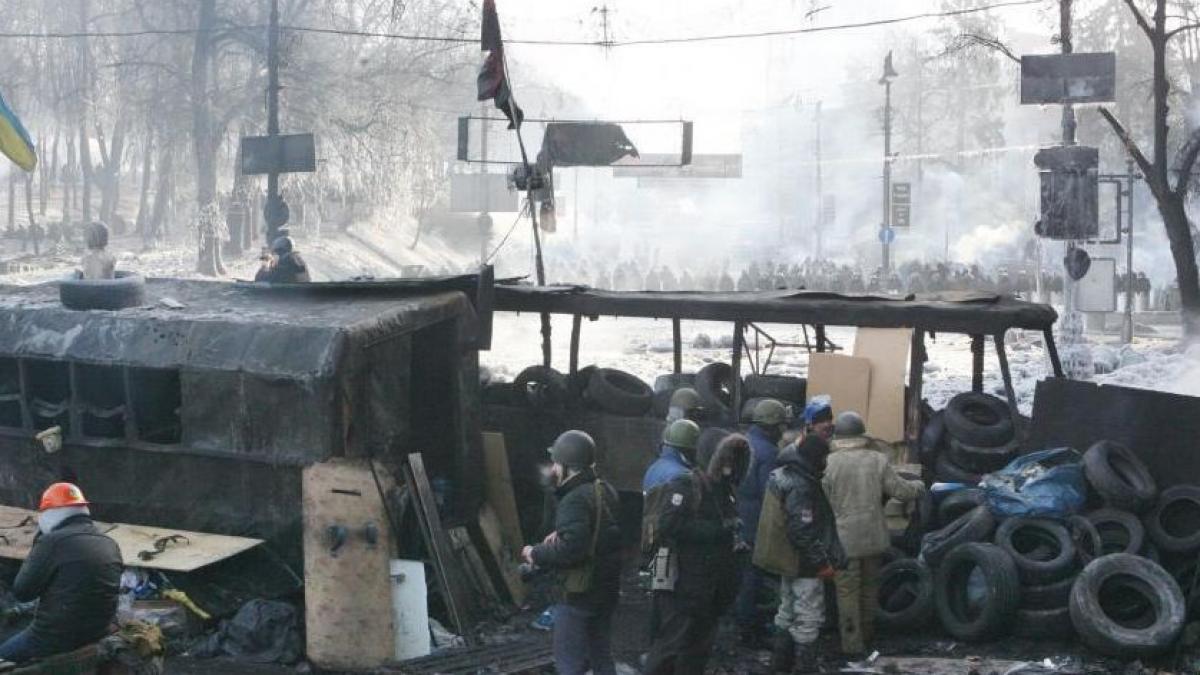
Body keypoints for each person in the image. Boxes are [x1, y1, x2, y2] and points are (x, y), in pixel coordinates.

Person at [643, 433, 750, 675]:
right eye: (726, 457)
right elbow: (668, 526)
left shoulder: (724, 490)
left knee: (697, 650)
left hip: (710, 587)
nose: (730, 464)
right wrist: (718, 531)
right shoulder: (686, 485)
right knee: (670, 647)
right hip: (684, 582)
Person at [822, 411, 926, 658]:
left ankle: (852, 645)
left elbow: (822, 502)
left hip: (844, 541)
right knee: (869, 589)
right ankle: (868, 637)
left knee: (847, 593)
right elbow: (901, 491)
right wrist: (919, 487)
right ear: (861, 434)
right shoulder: (876, 460)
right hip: (873, 537)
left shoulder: (828, 463)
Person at [523, 431, 622, 675]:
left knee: (570, 663)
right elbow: (598, 537)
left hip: (579, 593)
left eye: (556, 463)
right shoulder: (604, 490)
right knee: (601, 656)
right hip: (605, 588)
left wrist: (535, 552)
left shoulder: (574, 499)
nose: (553, 468)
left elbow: (571, 551)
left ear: (568, 466)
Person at [0, 483, 121, 664]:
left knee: (4, 654)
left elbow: (22, 592)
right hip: (98, 631)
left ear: (49, 514)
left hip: (54, 638)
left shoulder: (52, 542)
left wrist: (38, 546)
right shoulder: (110, 543)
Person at [763, 435, 845, 674]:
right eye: (824, 457)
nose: (826, 462)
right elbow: (802, 530)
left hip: (787, 558)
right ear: (815, 458)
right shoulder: (802, 484)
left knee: (786, 610)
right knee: (809, 617)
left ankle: (780, 665)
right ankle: (805, 667)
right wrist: (822, 563)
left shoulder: (786, 474)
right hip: (804, 563)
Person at [734, 398, 790, 646]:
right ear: (773, 425)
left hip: (739, 513)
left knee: (744, 573)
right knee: (752, 576)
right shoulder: (769, 453)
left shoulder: (743, 442)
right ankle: (748, 630)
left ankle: (742, 622)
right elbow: (771, 491)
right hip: (757, 519)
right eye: (781, 425)